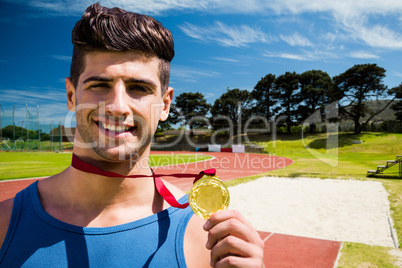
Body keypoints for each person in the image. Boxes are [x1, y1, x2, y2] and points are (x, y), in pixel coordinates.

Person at [0, 3, 264, 267]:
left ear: (165, 104)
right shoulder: (5, 222)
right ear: (71, 95)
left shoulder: (208, 240)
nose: (117, 107)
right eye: (99, 85)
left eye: (138, 87)